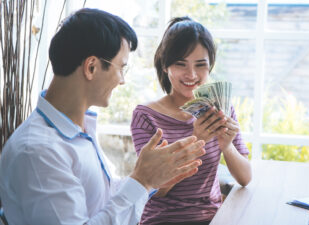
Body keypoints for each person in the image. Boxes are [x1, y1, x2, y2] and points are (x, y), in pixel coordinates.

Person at [0, 9, 207, 225]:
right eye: (121, 68)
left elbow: (99, 198)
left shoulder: (78, 130)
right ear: (91, 67)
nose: (122, 81)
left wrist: (151, 179)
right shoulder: (38, 151)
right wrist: (142, 181)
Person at [131, 17, 252, 225]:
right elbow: (154, 190)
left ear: (210, 66)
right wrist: (196, 140)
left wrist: (227, 146)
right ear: (165, 65)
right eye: (181, 64)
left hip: (214, 217)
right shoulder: (146, 116)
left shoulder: (221, 109)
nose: (192, 74)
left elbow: (245, 178)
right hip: (163, 220)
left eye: (200, 65)